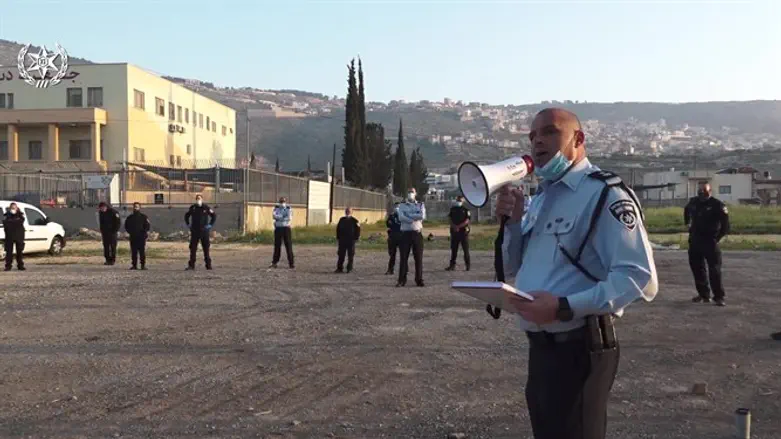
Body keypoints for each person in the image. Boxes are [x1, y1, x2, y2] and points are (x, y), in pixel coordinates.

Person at [496, 108, 658, 439]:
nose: (538, 140)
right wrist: (512, 223)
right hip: (542, 349)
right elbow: (515, 266)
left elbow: (640, 277)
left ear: (578, 139)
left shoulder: (604, 193)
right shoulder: (542, 197)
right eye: (532, 135)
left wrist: (564, 306)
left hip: (580, 348)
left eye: (550, 132)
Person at [684, 182, 730, 306]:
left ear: (710, 192)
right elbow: (686, 210)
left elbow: (725, 224)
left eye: (704, 192)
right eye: (700, 192)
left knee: (714, 270)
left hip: (710, 241)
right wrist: (687, 223)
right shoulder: (693, 202)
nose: (702, 195)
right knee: (697, 269)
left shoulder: (717, 205)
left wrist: (717, 238)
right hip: (695, 240)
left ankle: (719, 297)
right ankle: (704, 294)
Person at [397, 187, 426, 287]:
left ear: (416, 193)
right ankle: (401, 280)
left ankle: (419, 279)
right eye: (409, 192)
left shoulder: (420, 204)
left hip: (417, 234)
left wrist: (408, 215)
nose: (410, 194)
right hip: (405, 234)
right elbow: (401, 217)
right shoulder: (402, 205)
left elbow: (422, 216)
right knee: (403, 258)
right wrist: (413, 218)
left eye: (412, 192)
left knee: (418, 258)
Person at [184, 194, 216, 270]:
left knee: (206, 248)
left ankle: (208, 265)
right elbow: (186, 216)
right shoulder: (193, 208)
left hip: (204, 231)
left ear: (202, 199)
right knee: (193, 248)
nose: (198, 200)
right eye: (197, 198)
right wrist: (188, 224)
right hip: (195, 231)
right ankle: (191, 265)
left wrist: (210, 225)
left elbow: (214, 215)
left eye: (199, 198)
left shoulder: (206, 207)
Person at [446, 195, 471, 271]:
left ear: (463, 201)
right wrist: (454, 226)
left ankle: (468, 265)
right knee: (454, 250)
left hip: (463, 232)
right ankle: (452, 266)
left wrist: (458, 227)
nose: (458, 202)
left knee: (465, 250)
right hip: (454, 232)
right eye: (457, 200)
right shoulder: (452, 209)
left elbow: (467, 220)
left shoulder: (466, 210)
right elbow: (450, 219)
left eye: (460, 200)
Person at [124, 202, 151, 270]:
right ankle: (134, 265)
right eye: (134, 206)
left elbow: (147, 226)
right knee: (134, 252)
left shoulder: (144, 217)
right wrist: (130, 232)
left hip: (141, 237)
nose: (135, 208)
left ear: (139, 207)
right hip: (133, 237)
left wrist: (144, 233)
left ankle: (143, 265)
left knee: (142, 251)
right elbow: (126, 226)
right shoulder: (130, 217)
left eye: (137, 206)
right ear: (133, 208)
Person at [335, 207, 361, 273]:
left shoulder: (355, 221)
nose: (348, 212)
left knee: (350, 255)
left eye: (349, 211)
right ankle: (339, 268)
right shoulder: (342, 219)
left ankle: (349, 268)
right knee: (341, 255)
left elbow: (358, 230)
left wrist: (356, 238)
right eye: (346, 211)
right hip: (342, 240)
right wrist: (338, 238)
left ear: (352, 212)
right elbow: (338, 229)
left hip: (351, 241)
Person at [271, 197, 294, 269]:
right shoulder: (276, 208)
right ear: (279, 202)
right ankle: (274, 262)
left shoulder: (288, 208)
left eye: (283, 202)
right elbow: (274, 216)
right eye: (281, 202)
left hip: (286, 228)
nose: (282, 203)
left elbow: (289, 218)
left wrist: (279, 218)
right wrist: (283, 217)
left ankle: (291, 263)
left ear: (285, 202)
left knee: (288, 246)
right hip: (278, 229)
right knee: (277, 246)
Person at [3, 202, 26, 271]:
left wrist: (12, 222)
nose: (13, 209)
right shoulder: (7, 215)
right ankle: (8, 266)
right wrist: (14, 221)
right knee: (9, 252)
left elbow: (21, 221)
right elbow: (5, 223)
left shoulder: (20, 215)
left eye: (14, 208)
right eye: (12, 208)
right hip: (9, 236)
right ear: (10, 208)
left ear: (17, 208)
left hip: (19, 236)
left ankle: (20, 265)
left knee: (19, 252)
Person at [385, 202, 402, 275]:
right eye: (396, 207)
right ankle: (390, 269)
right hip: (393, 237)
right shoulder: (391, 216)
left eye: (398, 207)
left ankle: (404, 269)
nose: (397, 208)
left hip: (402, 237)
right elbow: (388, 224)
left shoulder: (403, 216)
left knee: (403, 255)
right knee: (392, 254)